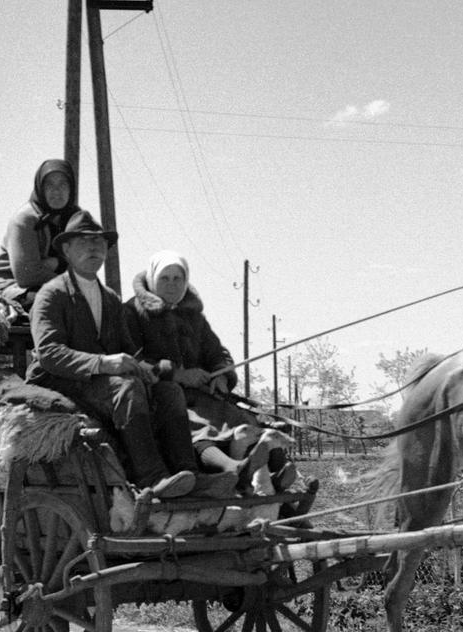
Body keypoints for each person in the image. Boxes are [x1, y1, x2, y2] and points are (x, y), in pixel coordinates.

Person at [27, 213, 210, 501]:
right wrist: (103, 363)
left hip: (102, 383)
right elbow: (49, 354)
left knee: (169, 390)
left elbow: (127, 349)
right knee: (125, 386)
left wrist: (143, 368)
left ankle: (189, 475)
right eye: (84, 243)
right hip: (60, 382)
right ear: (66, 250)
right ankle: (152, 478)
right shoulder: (52, 294)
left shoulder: (110, 298)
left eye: (99, 243)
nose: (94, 249)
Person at [125, 250, 294, 491]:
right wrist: (179, 375)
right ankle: (232, 469)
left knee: (243, 419)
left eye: (178, 279)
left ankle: (274, 480)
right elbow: (132, 359)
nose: (172, 285)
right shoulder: (132, 313)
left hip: (203, 395)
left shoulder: (194, 317)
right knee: (197, 424)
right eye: (164, 278)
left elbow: (218, 353)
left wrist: (221, 375)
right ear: (152, 280)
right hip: (161, 394)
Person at [0, 159, 80, 311]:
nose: (57, 191)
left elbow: (84, 264)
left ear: (71, 188)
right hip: (13, 287)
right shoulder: (25, 219)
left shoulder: (76, 218)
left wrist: (57, 264)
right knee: (52, 302)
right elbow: (27, 275)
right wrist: (64, 269)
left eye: (63, 184)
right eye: (49, 184)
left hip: (57, 286)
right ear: (40, 188)